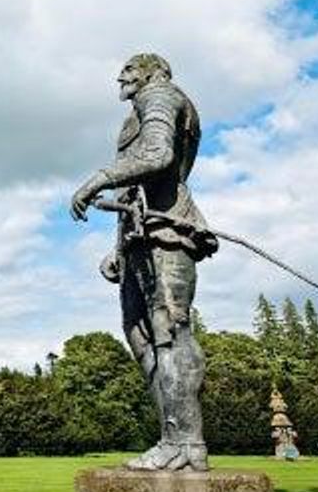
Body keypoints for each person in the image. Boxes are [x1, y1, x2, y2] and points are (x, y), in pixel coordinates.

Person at [72, 53, 218, 472]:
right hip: (139, 238)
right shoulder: (142, 104)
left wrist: (97, 179)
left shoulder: (161, 96)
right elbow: (137, 192)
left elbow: (158, 155)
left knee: (169, 330)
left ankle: (186, 442)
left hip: (167, 234)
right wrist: (119, 250)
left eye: (131, 69)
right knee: (140, 337)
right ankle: (174, 439)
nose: (121, 76)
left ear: (153, 72)